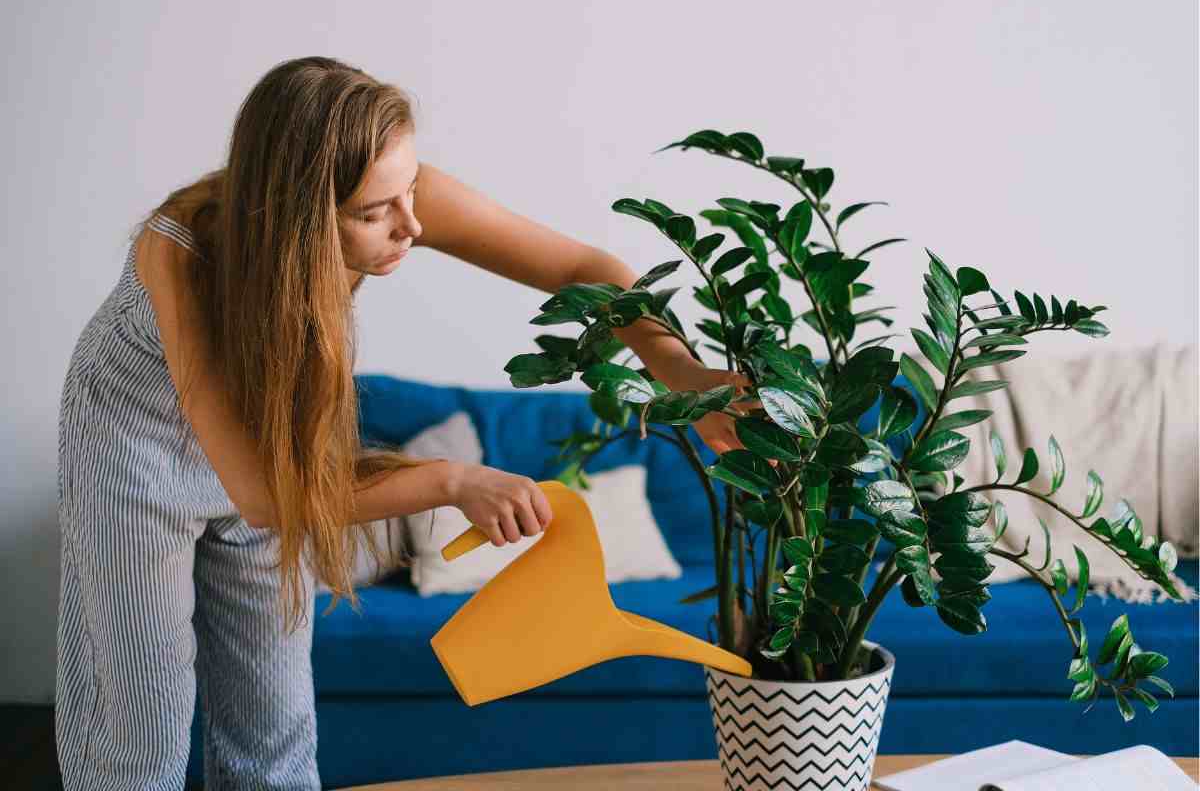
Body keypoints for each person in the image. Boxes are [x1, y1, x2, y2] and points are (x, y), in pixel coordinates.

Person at [54, 55, 756, 790]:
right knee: (142, 734)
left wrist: (686, 374)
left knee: (276, 728)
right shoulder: (179, 253)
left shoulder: (397, 197)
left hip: (265, 445)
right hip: (134, 444)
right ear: (294, 218)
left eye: (409, 190)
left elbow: (583, 267)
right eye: (373, 213)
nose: (412, 226)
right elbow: (263, 497)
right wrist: (452, 480)